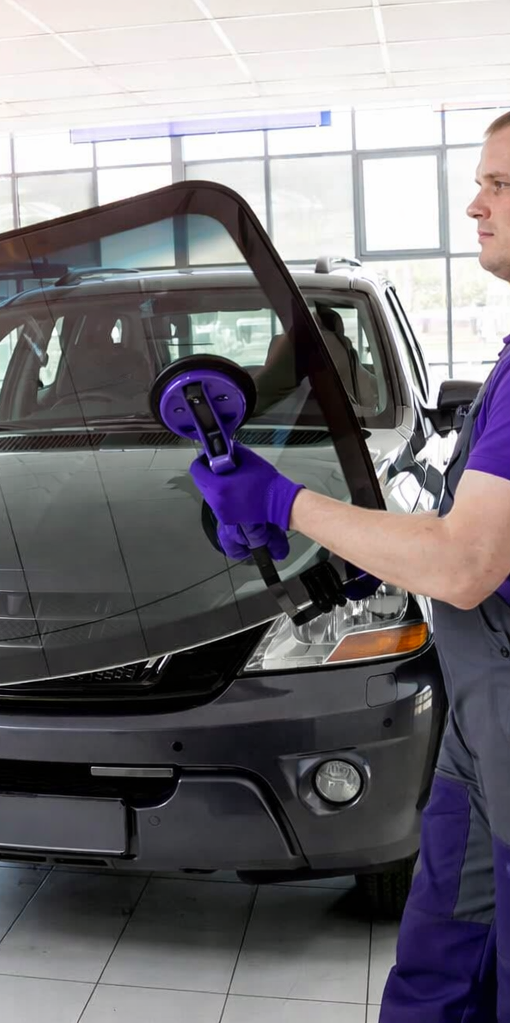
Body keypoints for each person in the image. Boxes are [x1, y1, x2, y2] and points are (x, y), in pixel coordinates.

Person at [188, 112, 510, 1021]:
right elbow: (473, 539)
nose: (474, 206)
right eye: (480, 183)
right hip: (481, 723)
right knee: (439, 963)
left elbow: (468, 561)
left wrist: (283, 502)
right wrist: (369, 563)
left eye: (499, 185)